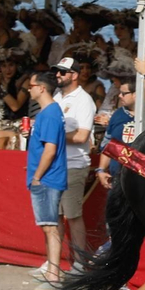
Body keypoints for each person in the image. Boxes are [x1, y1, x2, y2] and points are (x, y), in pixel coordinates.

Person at [23, 71, 67, 286]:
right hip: (47, 176)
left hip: (47, 178)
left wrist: (37, 175)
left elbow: (50, 149)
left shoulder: (49, 114)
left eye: (30, 85)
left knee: (50, 226)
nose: (28, 89)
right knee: (50, 225)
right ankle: (51, 269)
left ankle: (53, 274)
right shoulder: (50, 112)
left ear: (41, 88)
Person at [52, 56, 96, 261]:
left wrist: (54, 135)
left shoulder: (84, 100)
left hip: (74, 163)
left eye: (62, 72)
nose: (57, 75)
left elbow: (81, 136)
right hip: (57, 163)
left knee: (73, 215)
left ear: (74, 75)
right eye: (57, 71)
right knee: (56, 216)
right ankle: (55, 262)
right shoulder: (58, 96)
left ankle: (79, 262)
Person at [93, 78, 139, 189]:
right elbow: (108, 145)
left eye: (124, 93)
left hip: (141, 180)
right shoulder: (117, 115)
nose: (119, 96)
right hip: (116, 179)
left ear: (136, 94)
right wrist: (101, 170)